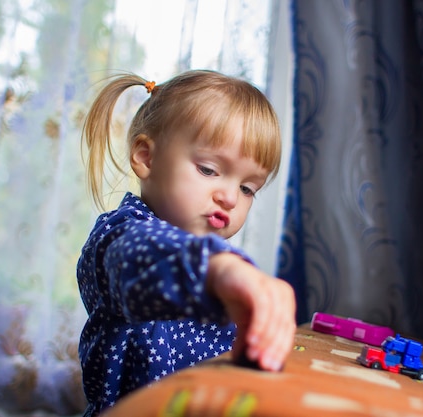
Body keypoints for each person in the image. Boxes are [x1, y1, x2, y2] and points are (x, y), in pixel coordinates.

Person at [77, 69, 296, 416]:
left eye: (247, 188)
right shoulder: (118, 235)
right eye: (209, 170)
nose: (229, 197)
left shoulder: (220, 261)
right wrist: (218, 270)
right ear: (146, 157)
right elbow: (144, 255)